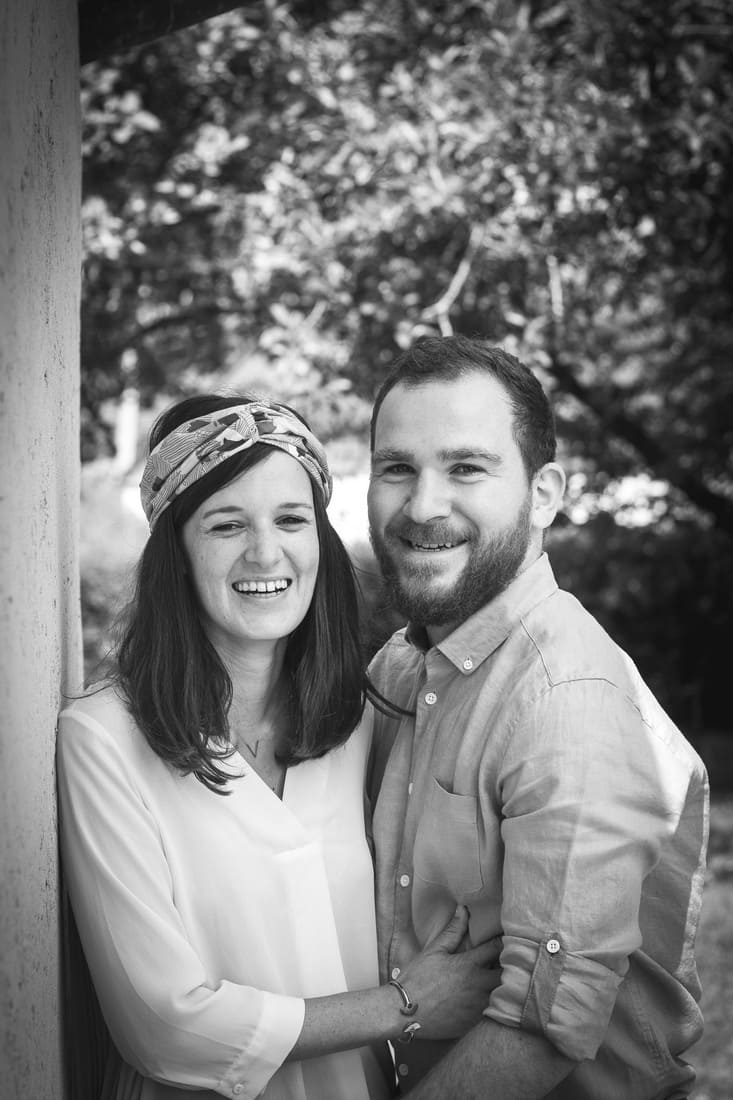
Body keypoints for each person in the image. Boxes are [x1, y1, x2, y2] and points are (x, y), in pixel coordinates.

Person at [57, 394, 501, 1100]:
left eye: (291, 519)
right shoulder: (104, 739)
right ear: (176, 554)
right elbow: (161, 1025)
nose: (266, 553)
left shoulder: (355, 720)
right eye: (227, 524)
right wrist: (404, 1006)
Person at [366, 336, 709, 1099]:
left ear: (544, 493)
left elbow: (539, 1032)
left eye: (465, 467)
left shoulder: (565, 700)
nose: (421, 505)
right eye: (396, 468)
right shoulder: (399, 667)